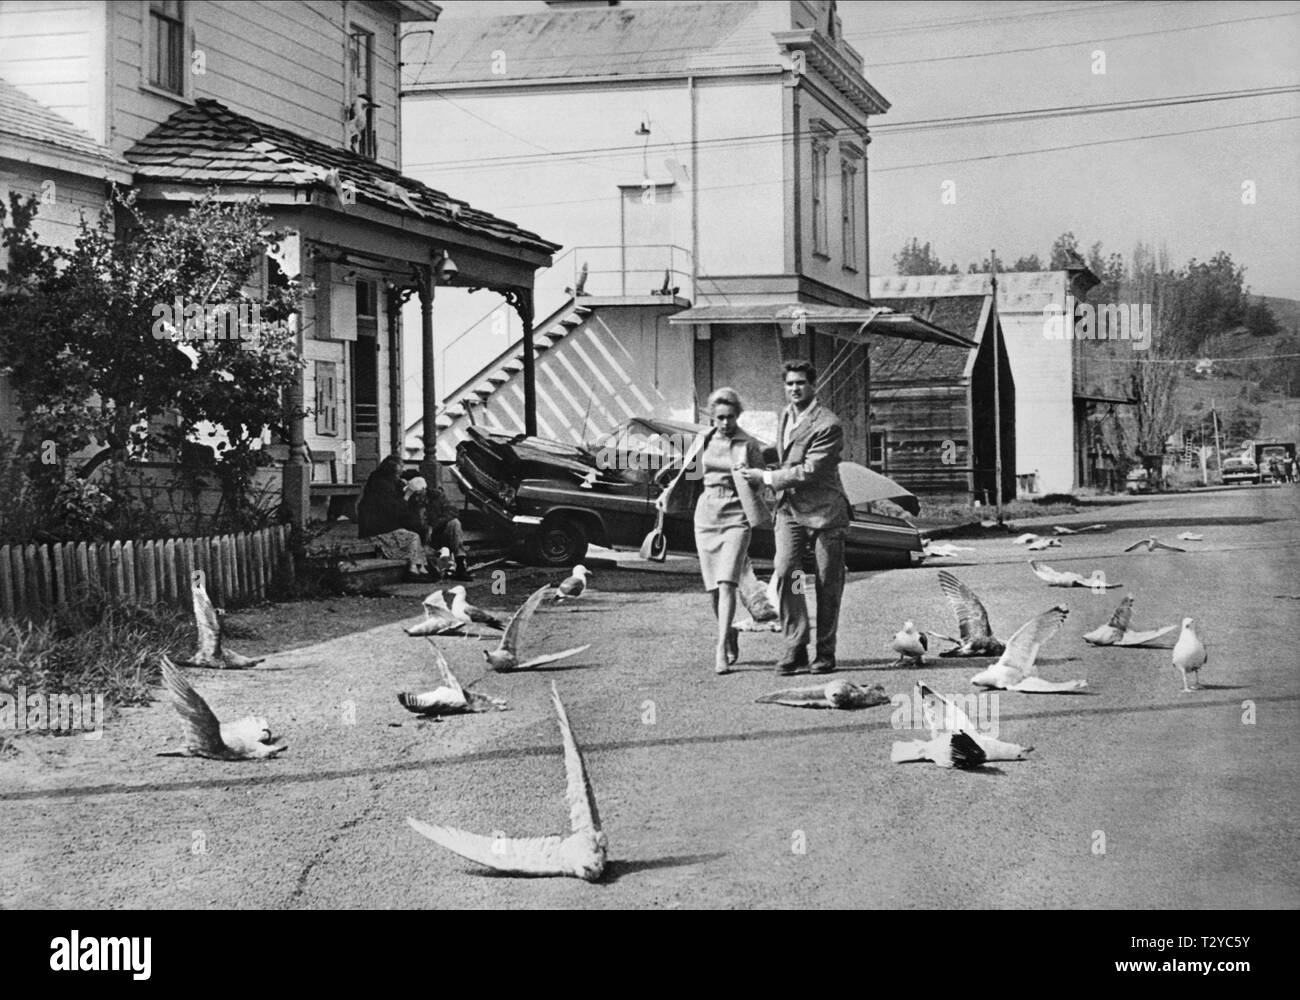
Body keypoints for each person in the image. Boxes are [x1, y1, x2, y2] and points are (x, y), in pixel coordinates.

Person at [738, 360, 850, 676]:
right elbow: (787, 458)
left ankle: (825, 654)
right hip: (788, 509)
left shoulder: (829, 423)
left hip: (825, 512)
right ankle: (796, 646)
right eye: (789, 384)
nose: (794, 389)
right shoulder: (786, 415)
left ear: (813, 386)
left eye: (800, 383)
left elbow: (811, 470)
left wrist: (768, 478)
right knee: (788, 572)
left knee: (828, 584)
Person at [656, 387, 767, 675]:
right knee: (713, 589)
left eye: (730, 417)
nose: (726, 423)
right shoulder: (702, 440)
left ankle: (719, 649)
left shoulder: (749, 444)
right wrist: (667, 493)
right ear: (712, 417)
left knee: (727, 582)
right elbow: (687, 474)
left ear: (737, 415)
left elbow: (761, 481)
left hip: (736, 515)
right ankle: (728, 633)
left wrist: (749, 478)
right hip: (706, 515)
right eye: (720, 417)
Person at [357, 455, 431, 579]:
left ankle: (419, 569)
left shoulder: (388, 481)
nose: (401, 473)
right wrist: (407, 494)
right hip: (375, 529)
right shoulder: (381, 485)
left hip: (386, 526)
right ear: (392, 470)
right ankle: (414, 569)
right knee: (413, 537)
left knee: (414, 534)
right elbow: (394, 511)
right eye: (399, 470)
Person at [402, 472, 473, 581]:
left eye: (418, 494)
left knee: (454, 523)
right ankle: (435, 569)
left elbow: (452, 511)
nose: (417, 498)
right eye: (414, 495)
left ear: (424, 491)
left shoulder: (437, 497)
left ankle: (461, 565)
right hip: (422, 539)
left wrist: (433, 525)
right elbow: (408, 523)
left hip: (438, 535)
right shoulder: (410, 503)